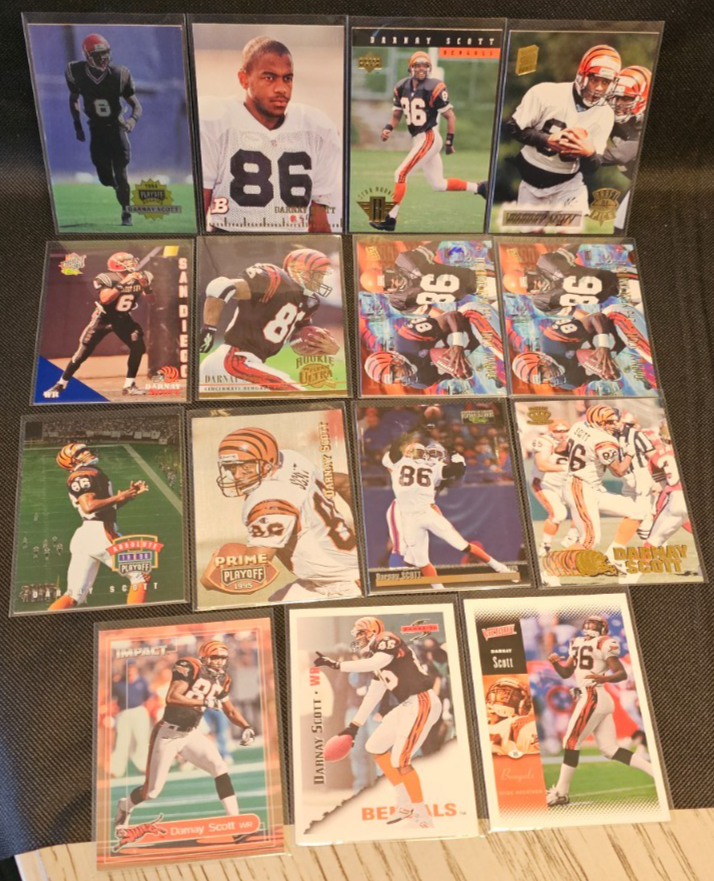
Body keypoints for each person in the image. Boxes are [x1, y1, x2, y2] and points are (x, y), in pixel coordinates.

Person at [113, 641, 255, 836]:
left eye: (223, 658)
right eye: (215, 657)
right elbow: (172, 697)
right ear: (204, 657)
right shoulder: (189, 667)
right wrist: (204, 701)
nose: (220, 662)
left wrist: (246, 726)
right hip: (168, 734)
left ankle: (234, 824)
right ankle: (125, 805)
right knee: (151, 792)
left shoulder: (223, 679)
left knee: (220, 767)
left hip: (191, 734)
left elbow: (229, 710)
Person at [201, 36, 341, 232]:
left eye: (287, 78)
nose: (281, 88)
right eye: (269, 78)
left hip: (291, 245)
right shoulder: (216, 123)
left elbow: (319, 223)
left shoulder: (317, 130)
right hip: (228, 240)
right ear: (244, 79)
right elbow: (197, 215)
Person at [203, 427, 361, 601]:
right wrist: (367, 538)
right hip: (339, 573)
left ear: (267, 462)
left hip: (344, 585)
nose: (237, 475)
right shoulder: (291, 460)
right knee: (276, 604)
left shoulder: (271, 501)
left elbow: (253, 573)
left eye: (246, 467)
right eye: (231, 467)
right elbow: (345, 483)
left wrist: (209, 581)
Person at [314, 617, 443, 829]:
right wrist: (354, 726)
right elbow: (373, 695)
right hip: (406, 705)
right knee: (374, 746)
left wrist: (337, 664)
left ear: (372, 631)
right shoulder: (378, 660)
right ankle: (405, 804)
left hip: (422, 701)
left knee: (400, 760)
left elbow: (374, 663)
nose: (358, 638)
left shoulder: (387, 639)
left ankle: (423, 816)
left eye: (361, 633)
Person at [503, 45, 619, 223]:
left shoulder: (605, 114)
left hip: (568, 184)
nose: (598, 87)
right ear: (582, 75)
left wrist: (588, 154)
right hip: (530, 179)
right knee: (530, 236)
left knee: (567, 232)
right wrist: (546, 140)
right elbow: (513, 127)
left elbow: (592, 168)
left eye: (605, 82)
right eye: (594, 79)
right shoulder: (546, 93)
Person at [369, 51, 483, 231]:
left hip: (429, 136)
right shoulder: (401, 86)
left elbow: (450, 117)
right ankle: (479, 188)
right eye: (418, 65)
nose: (422, 68)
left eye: (425, 65)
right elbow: (397, 115)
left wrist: (449, 142)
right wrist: (388, 128)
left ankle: (390, 219)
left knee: (400, 174)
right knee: (438, 184)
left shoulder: (434, 86)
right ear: (410, 67)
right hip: (419, 139)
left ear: (429, 68)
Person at [546, 616, 654, 806]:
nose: (590, 628)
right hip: (595, 697)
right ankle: (654, 772)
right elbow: (566, 673)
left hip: (593, 696)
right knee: (609, 749)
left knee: (571, 742)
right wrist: (555, 663)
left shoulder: (602, 643)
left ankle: (561, 793)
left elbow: (621, 673)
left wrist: (603, 679)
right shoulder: (577, 643)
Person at [198, 248, 338, 393]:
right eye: (318, 275)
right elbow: (220, 286)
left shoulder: (310, 302)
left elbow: (299, 334)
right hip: (233, 360)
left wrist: (322, 345)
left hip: (242, 363)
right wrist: (209, 328)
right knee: (297, 395)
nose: (320, 280)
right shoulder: (275, 280)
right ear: (300, 271)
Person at [382, 438, 511, 589]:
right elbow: (457, 471)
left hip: (425, 510)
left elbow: (456, 480)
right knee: (404, 551)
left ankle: (499, 568)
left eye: (436, 454)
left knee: (422, 556)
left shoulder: (424, 466)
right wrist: (455, 455)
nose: (433, 456)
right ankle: (406, 586)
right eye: (430, 453)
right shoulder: (413, 465)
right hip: (404, 509)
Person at [48, 442, 151, 610]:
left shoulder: (87, 473)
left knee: (73, 595)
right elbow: (89, 506)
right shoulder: (84, 474)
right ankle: (135, 621)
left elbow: (103, 508)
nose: (87, 452)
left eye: (85, 449)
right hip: (101, 533)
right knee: (141, 575)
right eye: (81, 452)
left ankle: (45, 622)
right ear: (72, 461)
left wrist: (128, 496)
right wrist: (119, 497)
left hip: (85, 535)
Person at [43, 252, 152, 399]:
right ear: (117, 265)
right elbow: (105, 299)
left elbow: (152, 301)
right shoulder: (107, 278)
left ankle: (129, 385)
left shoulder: (142, 277)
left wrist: (146, 287)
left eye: (131, 261)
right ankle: (61, 383)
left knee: (138, 347)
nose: (132, 264)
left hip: (124, 319)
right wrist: (124, 282)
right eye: (127, 262)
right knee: (82, 354)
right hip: (103, 319)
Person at [66, 34, 142, 226]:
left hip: (116, 129)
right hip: (96, 130)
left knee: (121, 173)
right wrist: (77, 125)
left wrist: (132, 120)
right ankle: (115, 186)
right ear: (87, 55)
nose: (102, 58)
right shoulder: (76, 72)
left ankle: (126, 212)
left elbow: (136, 106)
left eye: (105, 53)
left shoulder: (119, 74)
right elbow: (74, 98)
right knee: (105, 178)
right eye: (97, 54)